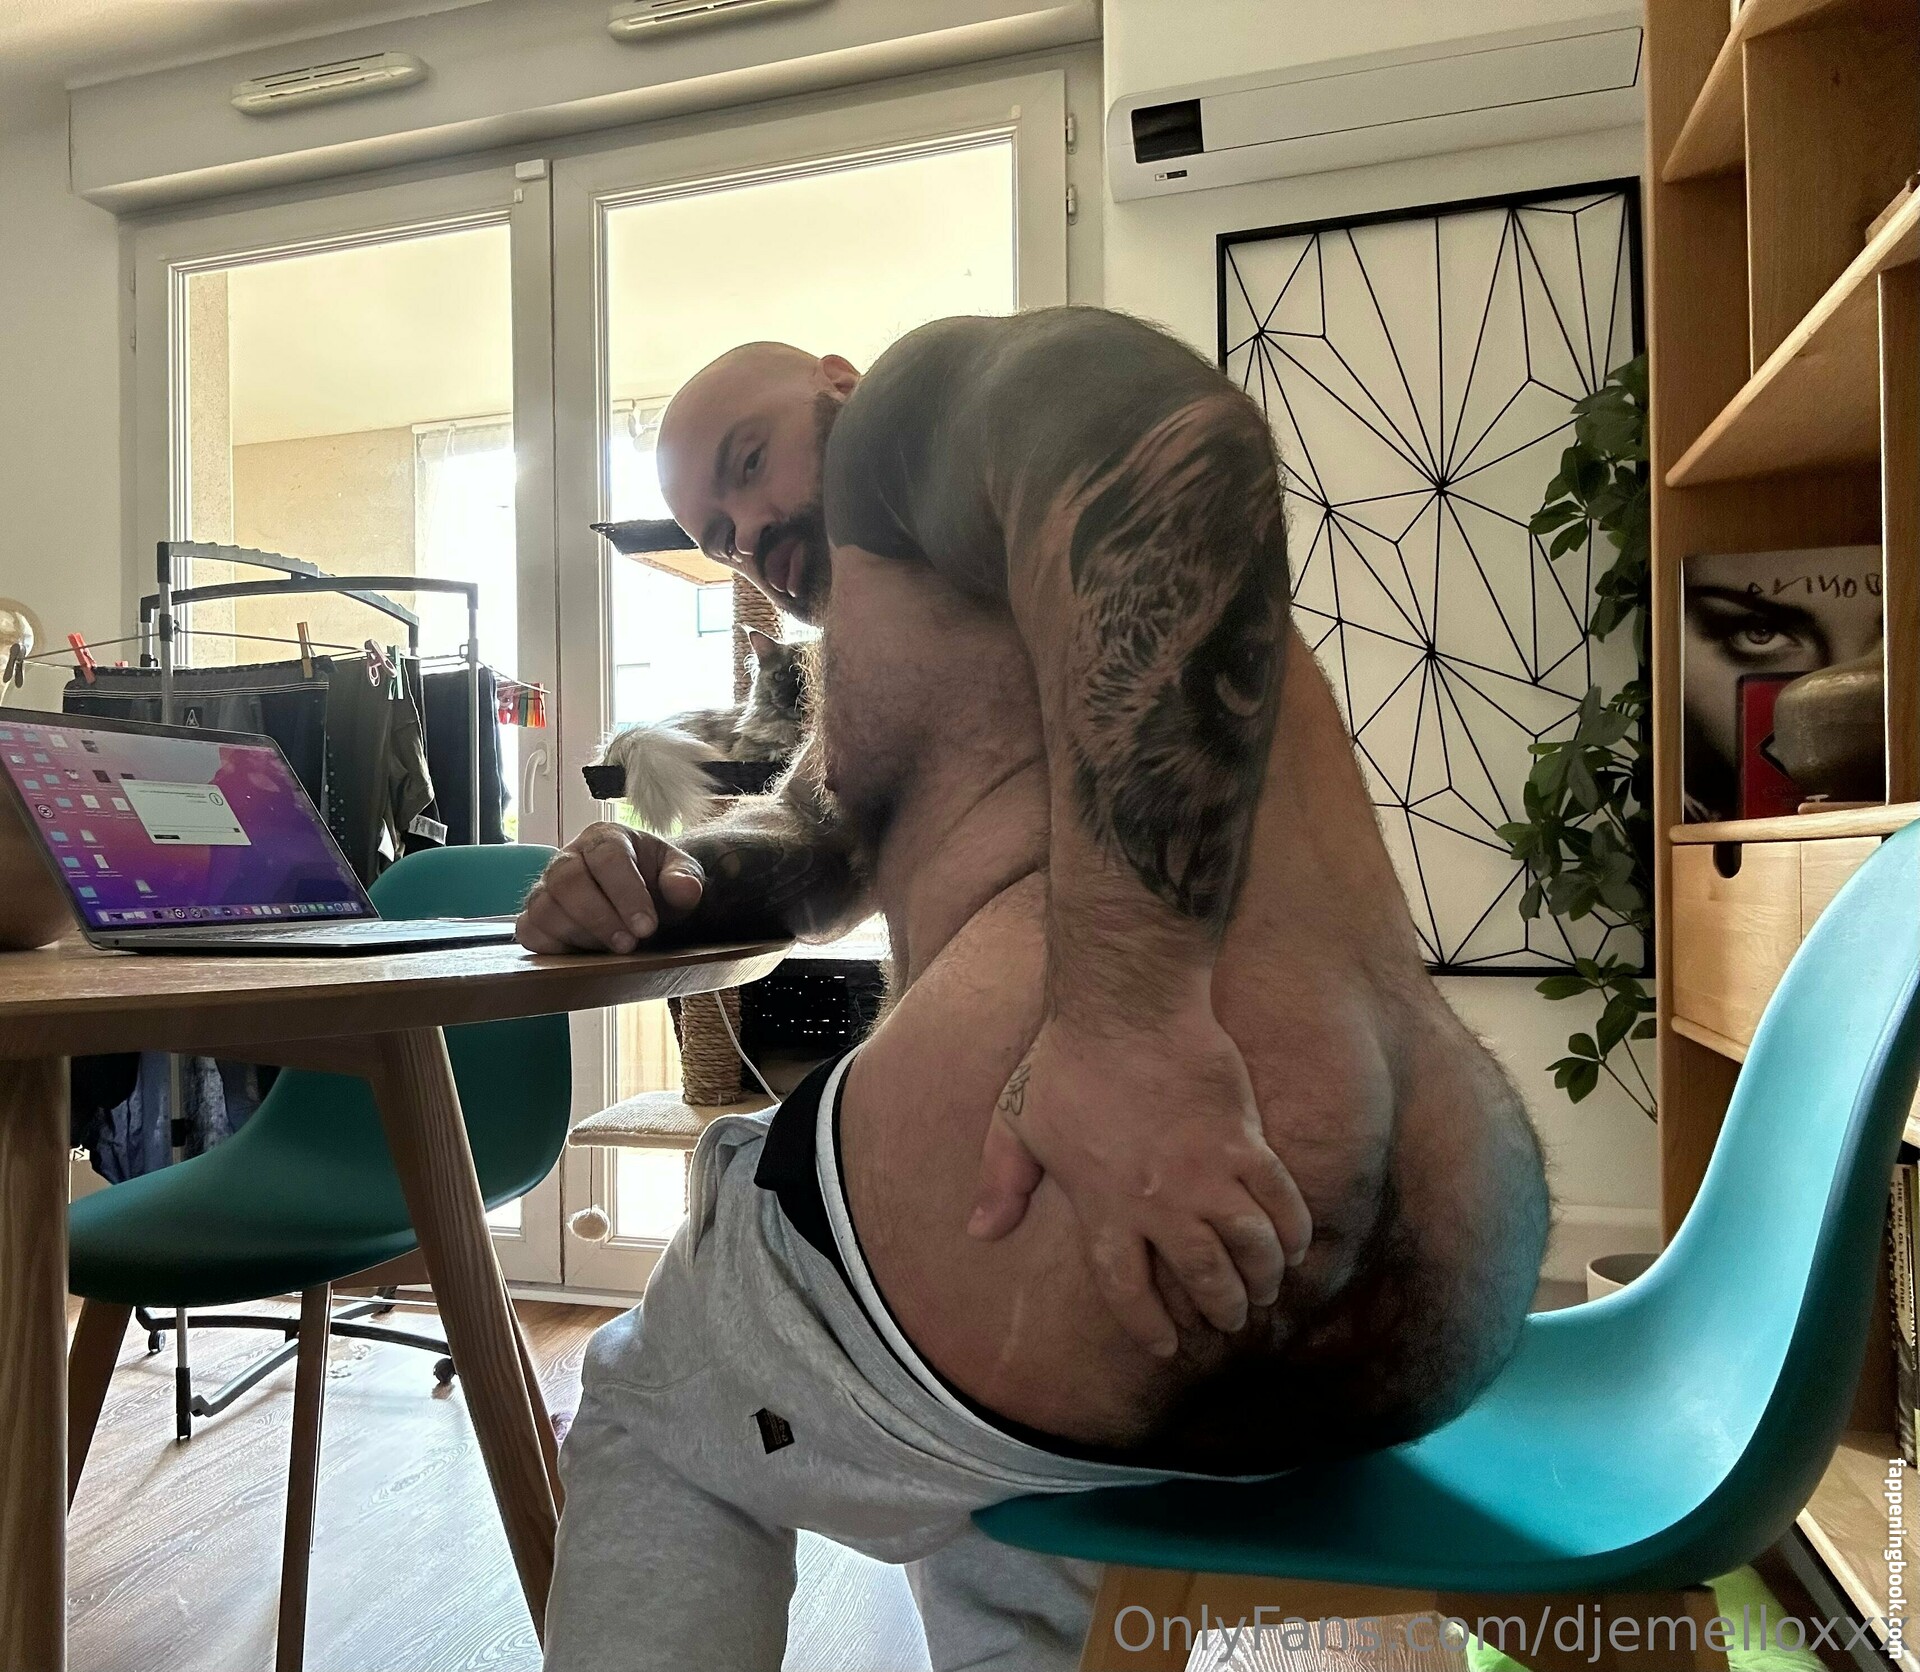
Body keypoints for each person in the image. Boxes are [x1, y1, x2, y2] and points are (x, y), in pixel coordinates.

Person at [524, 309, 1549, 1672]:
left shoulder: (905, 423)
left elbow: (1156, 431)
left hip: (1114, 1231)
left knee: (655, 1398)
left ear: (839, 387)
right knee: (995, 1488)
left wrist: (1131, 1024)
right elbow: (813, 842)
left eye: (752, 461)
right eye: (719, 533)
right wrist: (665, 877)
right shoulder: (917, 639)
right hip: (1429, 1303)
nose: (753, 528)